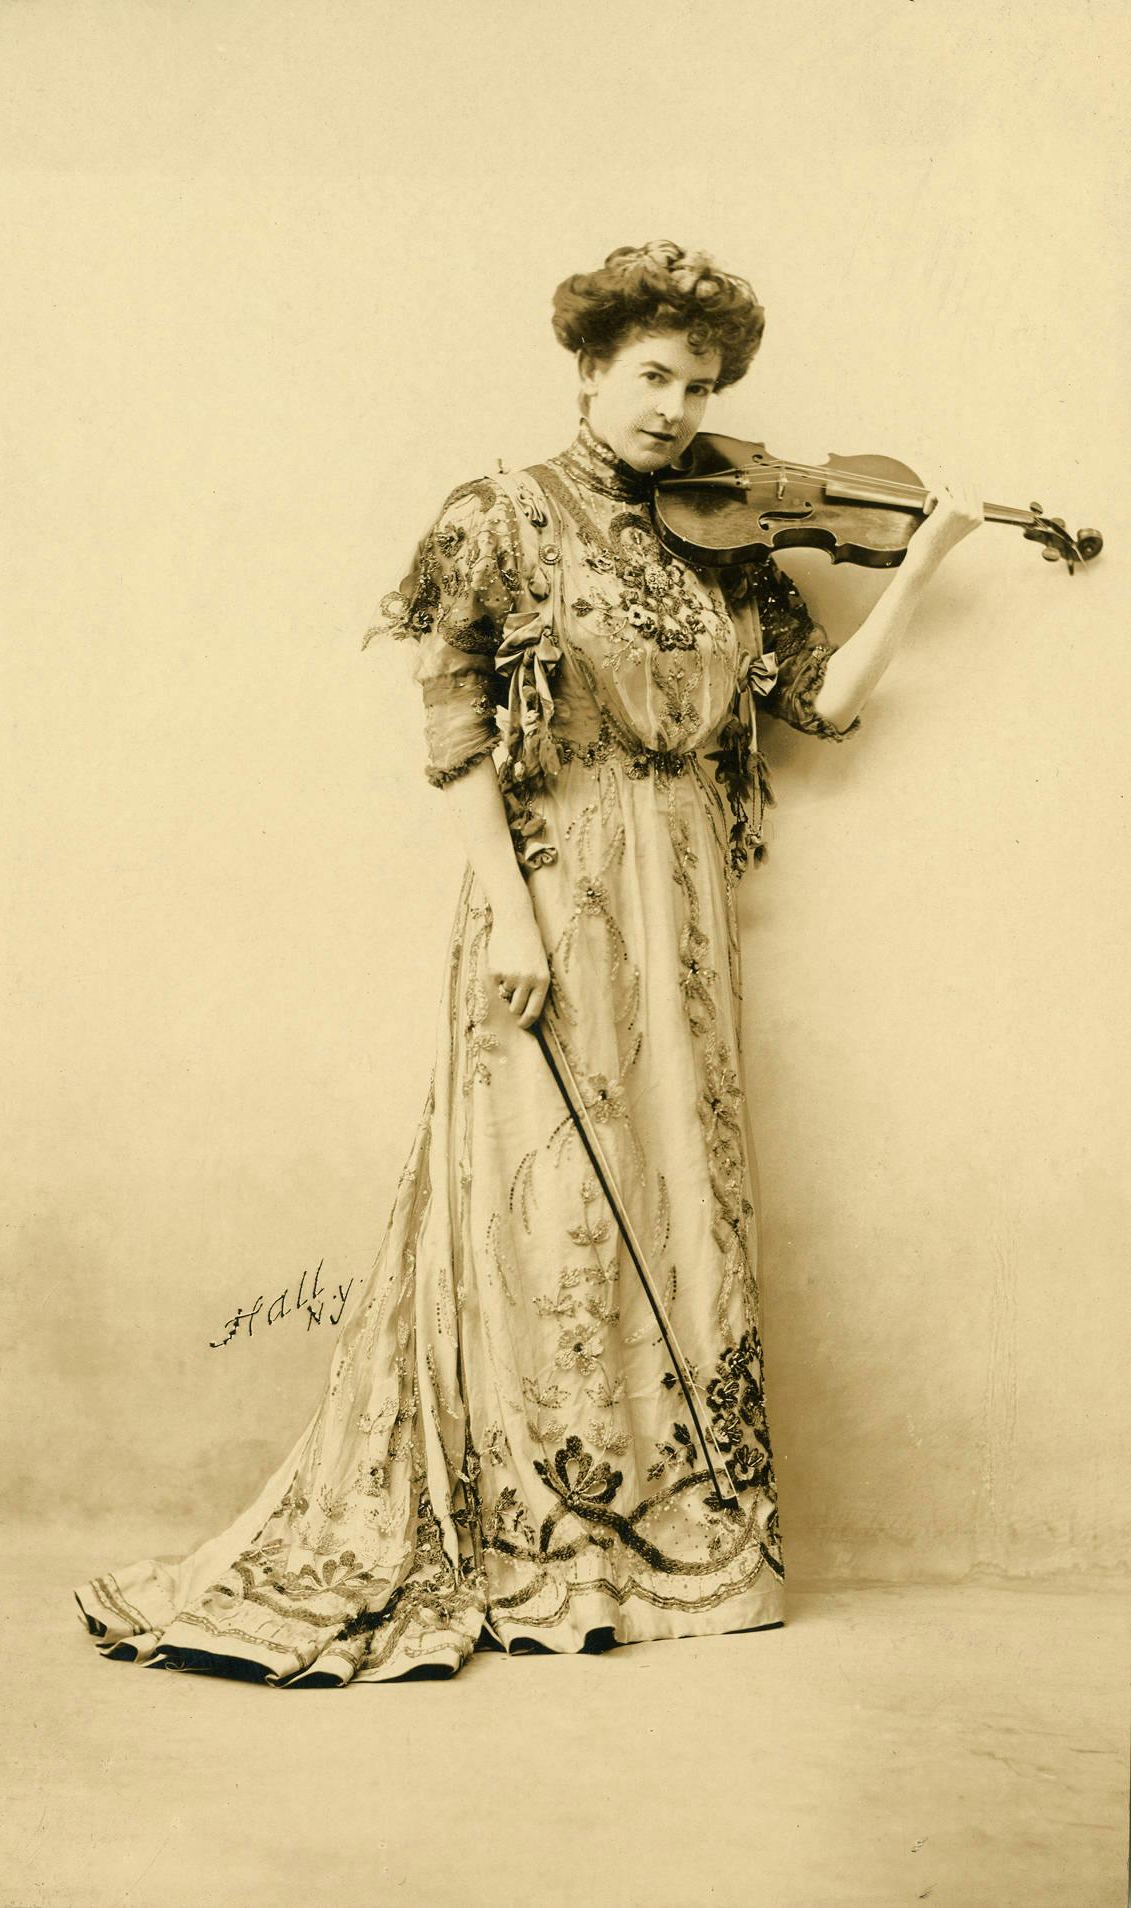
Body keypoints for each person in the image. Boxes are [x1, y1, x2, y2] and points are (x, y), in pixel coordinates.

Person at [74, 241, 981, 1685]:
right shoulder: (497, 513)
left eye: (698, 385)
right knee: (545, 1207)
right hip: (554, 888)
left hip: (679, 912)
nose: (674, 408)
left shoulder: (723, 537)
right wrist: (511, 910)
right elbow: (452, 735)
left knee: (675, 1200)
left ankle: (651, 1553)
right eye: (650, 377)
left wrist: (922, 570)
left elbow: (822, 710)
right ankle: (540, 1541)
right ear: (589, 370)